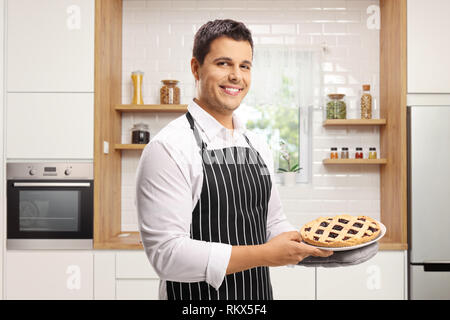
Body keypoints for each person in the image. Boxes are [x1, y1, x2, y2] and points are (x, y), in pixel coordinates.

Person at [136, 19, 333, 300]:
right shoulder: (169, 147)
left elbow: (272, 221)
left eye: (244, 66)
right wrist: (265, 254)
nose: (236, 76)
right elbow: (167, 255)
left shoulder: (257, 144)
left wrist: (313, 248)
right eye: (223, 63)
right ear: (196, 68)